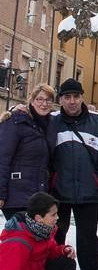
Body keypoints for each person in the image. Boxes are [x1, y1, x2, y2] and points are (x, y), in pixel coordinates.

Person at [51, 78, 98, 270]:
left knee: (88, 239)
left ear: (82, 97)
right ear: (60, 99)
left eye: (76, 96)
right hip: (58, 193)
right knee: (56, 238)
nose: (72, 101)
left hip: (88, 192)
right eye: (67, 97)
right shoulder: (51, 121)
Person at [0, 84, 57, 220]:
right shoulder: (16, 121)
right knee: (20, 237)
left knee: (33, 239)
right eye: (39, 99)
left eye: (48, 100)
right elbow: (2, 158)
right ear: (31, 101)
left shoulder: (50, 124)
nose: (44, 104)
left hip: (38, 197)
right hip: (17, 196)